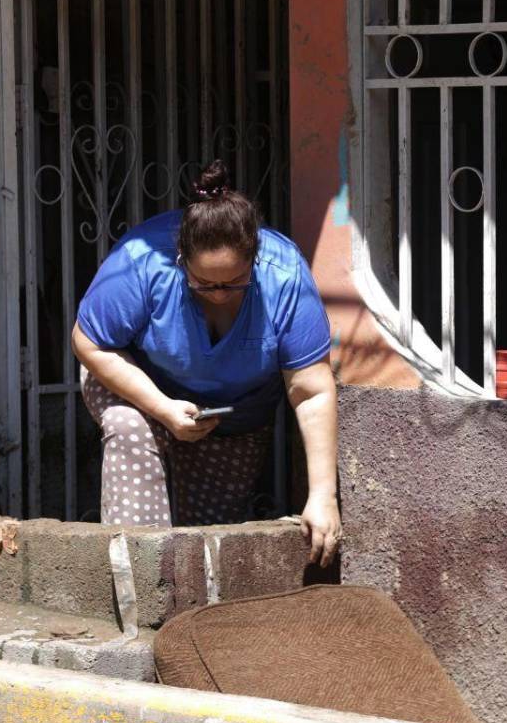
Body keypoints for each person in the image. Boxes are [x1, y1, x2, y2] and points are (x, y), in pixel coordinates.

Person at [72, 160, 341, 566]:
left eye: (234, 283)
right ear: (180, 258)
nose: (219, 294)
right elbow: (89, 343)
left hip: (235, 418)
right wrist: (161, 408)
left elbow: (311, 390)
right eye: (203, 284)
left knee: (207, 544)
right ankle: (143, 581)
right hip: (141, 391)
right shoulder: (142, 262)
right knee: (129, 430)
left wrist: (323, 496)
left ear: (255, 258)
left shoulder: (283, 275)